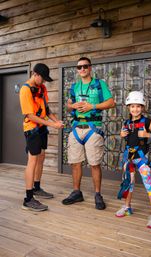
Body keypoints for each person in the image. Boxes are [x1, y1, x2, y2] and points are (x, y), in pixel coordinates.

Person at [62, 57, 115, 210]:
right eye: (79, 67)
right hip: (76, 128)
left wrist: (93, 105)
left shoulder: (99, 84)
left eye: (85, 66)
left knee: (94, 164)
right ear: (77, 70)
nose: (82, 69)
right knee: (75, 162)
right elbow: (68, 107)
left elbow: (111, 103)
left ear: (90, 68)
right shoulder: (75, 87)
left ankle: (98, 195)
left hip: (93, 128)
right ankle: (76, 192)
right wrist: (73, 106)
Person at [19, 63, 64, 211]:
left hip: (42, 128)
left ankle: (37, 187)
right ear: (35, 74)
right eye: (42, 78)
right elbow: (30, 115)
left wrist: (55, 120)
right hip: (32, 129)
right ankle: (28, 198)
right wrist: (52, 125)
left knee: (41, 156)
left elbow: (47, 109)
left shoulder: (42, 88)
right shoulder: (25, 90)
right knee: (32, 160)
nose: (44, 81)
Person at [115, 91, 151, 229]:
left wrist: (147, 134)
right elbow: (125, 136)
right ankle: (127, 207)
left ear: (143, 107)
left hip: (141, 159)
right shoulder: (127, 122)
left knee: (149, 186)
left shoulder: (147, 121)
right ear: (128, 108)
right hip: (129, 159)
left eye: (138, 106)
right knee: (129, 184)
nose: (135, 109)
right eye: (132, 106)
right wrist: (121, 134)